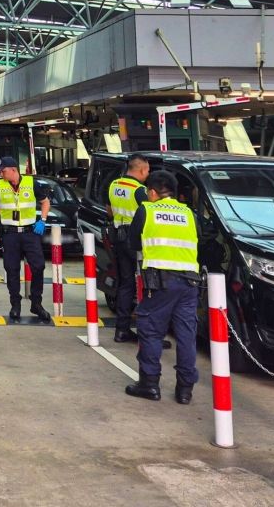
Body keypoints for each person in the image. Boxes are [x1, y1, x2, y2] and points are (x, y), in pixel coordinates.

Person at [125, 170, 200, 404]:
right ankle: (185, 390)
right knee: (186, 336)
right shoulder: (189, 213)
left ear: (153, 192)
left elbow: (133, 242)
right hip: (190, 283)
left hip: (160, 283)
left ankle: (149, 385)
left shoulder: (147, 210)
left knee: (151, 332)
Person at [106, 155, 173, 348]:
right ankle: (149, 335)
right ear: (142, 170)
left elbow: (109, 212)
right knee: (149, 285)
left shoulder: (114, 185)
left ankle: (122, 330)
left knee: (126, 284)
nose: (148, 174)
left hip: (119, 239)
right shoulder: (139, 191)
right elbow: (155, 216)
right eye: (148, 171)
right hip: (137, 242)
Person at [0, 156, 52, 322]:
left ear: (14, 170)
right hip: (10, 235)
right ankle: (15, 304)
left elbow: (45, 202)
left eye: (3, 171)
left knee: (38, 266)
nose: (1, 174)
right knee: (12, 269)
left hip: (31, 233)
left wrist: (42, 220)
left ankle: (36, 303)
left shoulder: (31, 183)